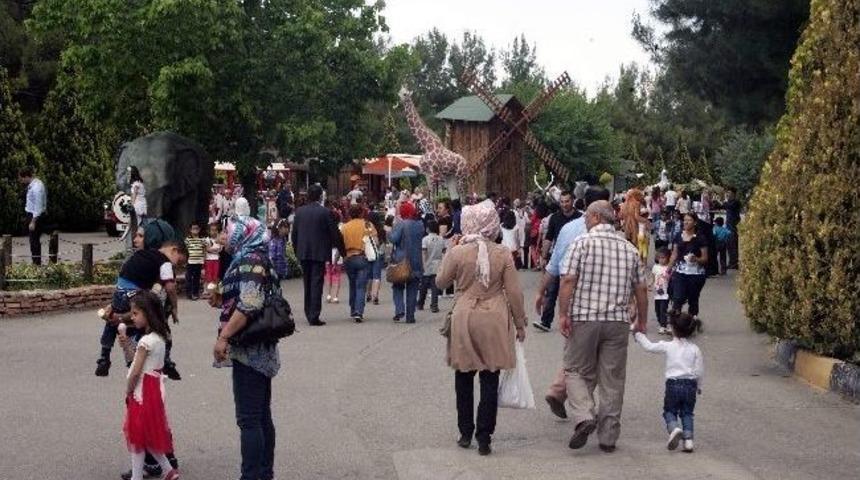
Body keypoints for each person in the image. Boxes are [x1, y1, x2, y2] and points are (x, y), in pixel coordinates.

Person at [436, 199, 527, 456]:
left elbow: (441, 282)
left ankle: (465, 431)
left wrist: (449, 252)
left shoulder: (458, 252)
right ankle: (485, 435)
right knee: (490, 376)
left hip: (465, 314)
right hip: (495, 317)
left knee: (463, 376)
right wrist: (520, 323)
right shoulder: (502, 254)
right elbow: (515, 292)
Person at [557, 200, 648, 452]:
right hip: (617, 322)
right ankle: (608, 436)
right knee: (613, 379)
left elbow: (567, 281)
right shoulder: (629, 249)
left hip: (584, 317)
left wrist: (563, 313)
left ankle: (585, 416)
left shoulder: (581, 243)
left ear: (596, 217)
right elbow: (641, 289)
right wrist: (642, 319)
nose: (585, 220)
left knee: (575, 370)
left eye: (587, 216)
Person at [212, 215, 282, 480]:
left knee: (250, 419)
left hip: (250, 349)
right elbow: (248, 299)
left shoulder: (250, 259)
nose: (224, 236)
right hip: (260, 346)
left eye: (228, 231)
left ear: (243, 234)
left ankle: (253, 475)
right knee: (261, 415)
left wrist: (224, 337)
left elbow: (250, 303)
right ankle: (263, 473)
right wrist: (223, 300)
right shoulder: (255, 257)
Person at [533, 187, 609, 417]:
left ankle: (559, 391)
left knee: (576, 352)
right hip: (602, 300)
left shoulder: (567, 229)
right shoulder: (609, 232)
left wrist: (541, 292)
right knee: (593, 358)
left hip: (573, 299)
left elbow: (555, 266)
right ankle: (582, 409)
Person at [95, 241, 188, 378]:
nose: (177, 265)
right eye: (179, 261)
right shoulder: (165, 262)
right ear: (174, 250)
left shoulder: (142, 254)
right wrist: (174, 307)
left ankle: (104, 356)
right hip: (135, 295)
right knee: (139, 325)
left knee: (111, 321)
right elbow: (169, 287)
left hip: (120, 291)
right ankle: (162, 360)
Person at [120, 290, 181, 480]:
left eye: (136, 313)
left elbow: (136, 370)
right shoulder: (159, 338)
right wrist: (127, 344)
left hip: (142, 390)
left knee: (137, 435)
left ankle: (137, 477)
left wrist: (129, 390)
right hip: (154, 388)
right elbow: (140, 360)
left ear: (148, 313)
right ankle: (168, 470)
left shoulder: (146, 341)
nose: (132, 317)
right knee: (147, 434)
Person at [633, 311, 704, 453]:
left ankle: (674, 429)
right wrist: (699, 386)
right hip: (690, 385)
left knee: (670, 411)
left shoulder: (668, 346)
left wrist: (638, 335)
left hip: (673, 384)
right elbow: (699, 370)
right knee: (687, 413)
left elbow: (649, 346)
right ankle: (688, 441)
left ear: (673, 329)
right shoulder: (695, 349)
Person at [291, 184, 344, 326]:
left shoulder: (300, 212)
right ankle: (314, 314)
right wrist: (343, 251)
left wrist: (297, 251)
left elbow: (294, 234)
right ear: (320, 196)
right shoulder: (325, 212)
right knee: (316, 283)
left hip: (303, 252)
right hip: (319, 252)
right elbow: (334, 233)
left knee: (307, 282)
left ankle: (308, 311)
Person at [389, 201, 424, 323]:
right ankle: (410, 316)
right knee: (413, 288)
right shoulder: (420, 225)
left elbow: (393, 239)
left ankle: (399, 309)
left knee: (397, 286)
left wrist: (389, 230)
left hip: (401, 260)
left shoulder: (401, 224)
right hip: (416, 260)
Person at [669, 213, 709, 319]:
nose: (685, 222)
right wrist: (667, 270)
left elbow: (705, 258)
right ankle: (675, 324)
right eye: (684, 220)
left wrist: (696, 259)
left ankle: (691, 323)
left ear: (695, 222)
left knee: (693, 299)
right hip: (680, 272)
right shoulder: (678, 235)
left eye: (689, 220)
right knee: (678, 297)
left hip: (696, 274)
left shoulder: (700, 238)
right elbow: (674, 254)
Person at [341, 204, 375, 322]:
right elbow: (374, 240)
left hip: (349, 257)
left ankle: (352, 308)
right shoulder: (367, 225)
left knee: (352, 284)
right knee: (361, 286)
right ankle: (359, 311)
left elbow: (341, 243)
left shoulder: (345, 227)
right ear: (361, 213)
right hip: (362, 257)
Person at [18, 166, 47, 265]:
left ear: (26, 176)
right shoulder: (35, 184)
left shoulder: (36, 188)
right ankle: (35, 262)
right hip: (31, 214)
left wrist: (33, 222)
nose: (21, 181)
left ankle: (36, 263)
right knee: (32, 240)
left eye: (21, 178)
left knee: (34, 241)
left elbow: (38, 206)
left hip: (35, 216)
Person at [418, 219, 445, 313]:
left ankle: (420, 303)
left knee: (423, 287)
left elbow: (424, 253)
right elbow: (444, 252)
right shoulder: (441, 239)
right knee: (435, 287)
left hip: (427, 265)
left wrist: (423, 265)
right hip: (437, 265)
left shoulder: (425, 239)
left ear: (428, 229)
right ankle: (434, 305)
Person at [366, 206, 386, 305]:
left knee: (369, 275)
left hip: (368, 253)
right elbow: (381, 243)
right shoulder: (381, 229)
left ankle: (368, 294)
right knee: (376, 275)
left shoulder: (366, 228)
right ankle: (375, 296)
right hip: (378, 253)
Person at [652, 248, 672, 334]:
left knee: (663, 309)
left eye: (663, 258)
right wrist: (650, 284)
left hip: (666, 293)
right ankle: (662, 323)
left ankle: (663, 326)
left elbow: (671, 279)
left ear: (668, 258)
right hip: (657, 293)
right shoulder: (655, 267)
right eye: (659, 258)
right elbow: (653, 277)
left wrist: (668, 277)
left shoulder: (669, 268)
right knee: (657, 310)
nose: (661, 260)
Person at [185, 222, 206, 301]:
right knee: (189, 278)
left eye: (197, 228)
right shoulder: (188, 240)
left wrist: (204, 259)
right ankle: (189, 293)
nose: (195, 230)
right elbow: (186, 250)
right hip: (191, 262)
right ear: (190, 230)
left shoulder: (202, 240)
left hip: (199, 261)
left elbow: (204, 249)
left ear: (199, 230)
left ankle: (195, 293)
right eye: (193, 228)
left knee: (197, 278)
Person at [722, 187, 742, 269]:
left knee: (733, 244)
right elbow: (723, 206)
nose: (728, 194)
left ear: (733, 194)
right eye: (727, 193)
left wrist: (724, 200)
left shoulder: (736, 202)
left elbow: (727, 205)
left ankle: (734, 263)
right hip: (728, 224)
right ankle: (731, 262)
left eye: (729, 193)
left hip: (733, 225)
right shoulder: (730, 202)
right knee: (729, 244)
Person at [269, 219, 290, 290]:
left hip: (280, 269)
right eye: (285, 227)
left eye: (288, 227)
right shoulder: (274, 241)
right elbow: (272, 256)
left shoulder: (283, 239)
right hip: (275, 269)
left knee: (278, 287)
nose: (288, 229)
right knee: (274, 287)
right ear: (279, 228)